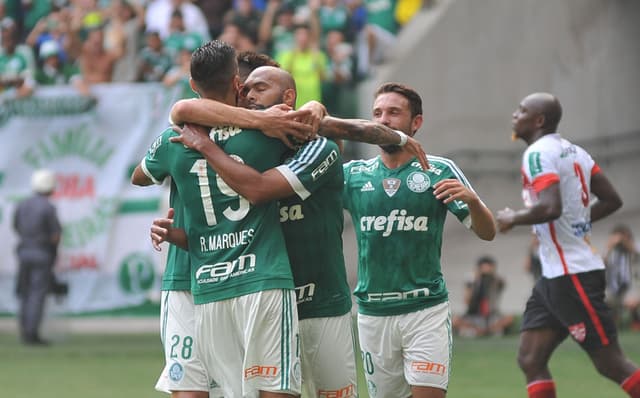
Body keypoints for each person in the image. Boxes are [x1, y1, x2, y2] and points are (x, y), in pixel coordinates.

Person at [159, 65, 428, 397]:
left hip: (321, 302)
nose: (250, 96)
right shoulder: (242, 144)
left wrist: (392, 135)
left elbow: (262, 186)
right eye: (245, 91)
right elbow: (182, 110)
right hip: (267, 300)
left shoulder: (316, 145)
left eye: (259, 88)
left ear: (288, 98)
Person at [131, 40, 305, 398]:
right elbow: (316, 127)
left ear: (194, 85)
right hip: (246, 274)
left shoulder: (174, 138)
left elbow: (140, 175)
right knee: (263, 385)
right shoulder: (269, 135)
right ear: (238, 85)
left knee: (204, 387)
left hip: (198, 273)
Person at [342, 82, 496, 398]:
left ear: (416, 123)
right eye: (377, 113)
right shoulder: (353, 175)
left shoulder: (438, 170)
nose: (383, 120)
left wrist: (474, 202)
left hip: (425, 309)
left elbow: (487, 231)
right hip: (373, 313)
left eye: (394, 112)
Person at [496, 92, 640, 398]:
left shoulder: (537, 154)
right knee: (530, 358)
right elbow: (613, 200)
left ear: (538, 121)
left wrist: (513, 217)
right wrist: (580, 223)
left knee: (610, 363)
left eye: (521, 110)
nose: (514, 115)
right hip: (554, 277)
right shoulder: (575, 151)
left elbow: (550, 208)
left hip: (573, 275)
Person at [13, 169, 62, 346]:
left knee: (24, 292)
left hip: (24, 251)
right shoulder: (48, 207)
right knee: (36, 294)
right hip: (42, 254)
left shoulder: (23, 205)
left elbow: (16, 226)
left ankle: (24, 330)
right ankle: (32, 334)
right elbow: (55, 235)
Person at [452, 255, 514, 337]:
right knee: (455, 320)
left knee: (509, 318)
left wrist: (491, 275)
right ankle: (483, 331)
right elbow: (467, 301)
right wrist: (476, 280)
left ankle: (482, 331)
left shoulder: (496, 280)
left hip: (492, 315)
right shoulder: (472, 282)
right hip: (474, 315)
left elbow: (502, 283)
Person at [604, 224, 640, 329]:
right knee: (606, 302)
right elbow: (601, 263)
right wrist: (609, 246)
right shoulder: (610, 251)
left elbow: (636, 252)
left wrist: (625, 242)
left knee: (631, 301)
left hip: (631, 285)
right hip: (612, 287)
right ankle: (615, 319)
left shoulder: (633, 247)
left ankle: (635, 321)